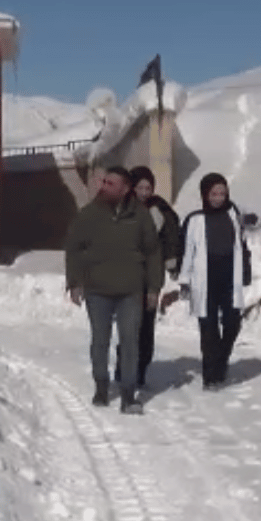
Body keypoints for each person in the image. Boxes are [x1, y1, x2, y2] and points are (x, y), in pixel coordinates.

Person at [64, 165, 164, 414]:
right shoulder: (89, 214)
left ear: (125, 188)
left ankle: (128, 395)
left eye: (111, 183)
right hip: (97, 290)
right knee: (100, 340)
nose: (104, 186)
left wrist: (153, 287)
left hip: (131, 291)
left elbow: (153, 252)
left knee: (130, 341)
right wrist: (74, 282)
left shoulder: (140, 216)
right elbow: (74, 248)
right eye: (104, 182)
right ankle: (101, 386)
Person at [176, 172, 253, 390]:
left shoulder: (233, 214)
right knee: (208, 329)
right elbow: (187, 252)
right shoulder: (195, 219)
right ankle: (211, 376)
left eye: (222, 193)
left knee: (232, 323)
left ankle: (221, 358)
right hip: (205, 280)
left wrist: (252, 221)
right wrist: (184, 279)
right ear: (205, 194)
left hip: (229, 278)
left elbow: (246, 238)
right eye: (214, 194)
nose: (219, 198)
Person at [114, 166, 181, 389]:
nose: (144, 192)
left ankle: (140, 370)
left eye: (148, 188)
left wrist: (171, 262)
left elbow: (171, 237)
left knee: (146, 329)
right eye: (140, 187)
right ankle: (124, 370)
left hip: (151, 279)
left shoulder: (159, 210)